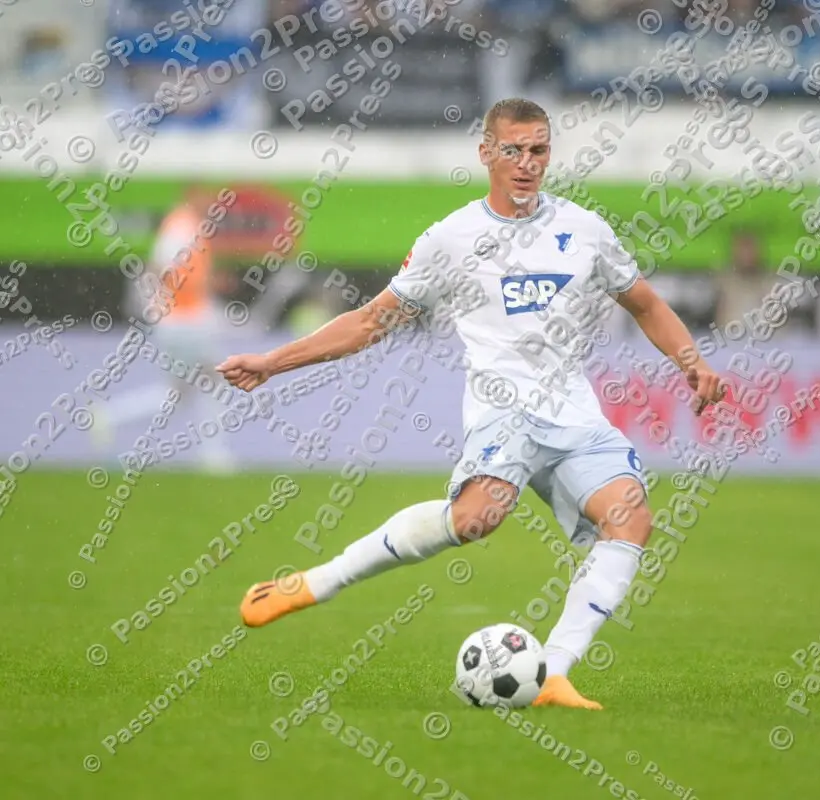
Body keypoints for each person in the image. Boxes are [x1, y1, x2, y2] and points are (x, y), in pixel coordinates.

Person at [217, 98, 725, 710]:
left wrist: (691, 363)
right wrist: (273, 363)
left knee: (631, 518)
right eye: (512, 150)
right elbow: (370, 322)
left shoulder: (586, 231)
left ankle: (554, 674)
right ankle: (316, 583)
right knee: (476, 520)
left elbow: (643, 302)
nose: (526, 163)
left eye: (537, 150)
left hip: (573, 414)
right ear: (486, 153)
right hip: (503, 412)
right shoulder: (450, 239)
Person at [93, 185, 237, 471]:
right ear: (191, 195)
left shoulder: (190, 226)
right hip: (183, 320)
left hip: (182, 318)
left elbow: (184, 271)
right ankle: (214, 456)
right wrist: (159, 302)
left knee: (178, 394)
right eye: (204, 196)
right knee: (213, 379)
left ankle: (109, 416)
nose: (209, 202)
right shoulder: (181, 225)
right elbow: (158, 266)